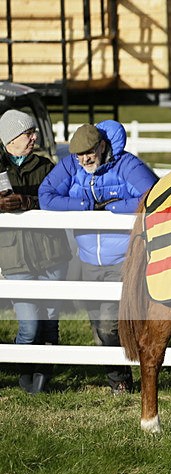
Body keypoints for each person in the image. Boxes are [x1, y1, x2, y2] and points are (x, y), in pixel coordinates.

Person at [38, 121, 158, 394]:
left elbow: (153, 195)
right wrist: (86, 206)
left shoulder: (126, 165)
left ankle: (126, 379)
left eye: (89, 153)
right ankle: (123, 377)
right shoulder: (70, 166)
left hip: (125, 258)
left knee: (109, 324)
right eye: (79, 155)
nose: (84, 160)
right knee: (99, 327)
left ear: (102, 146)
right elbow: (46, 196)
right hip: (89, 259)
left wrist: (115, 208)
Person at [0, 110, 72, 394]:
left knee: (50, 323)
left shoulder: (46, 166)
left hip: (51, 253)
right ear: (10, 139)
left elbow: (61, 199)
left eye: (33, 133)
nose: (34, 138)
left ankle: (42, 381)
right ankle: (25, 372)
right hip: (14, 257)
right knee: (29, 325)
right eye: (27, 133)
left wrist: (30, 201)